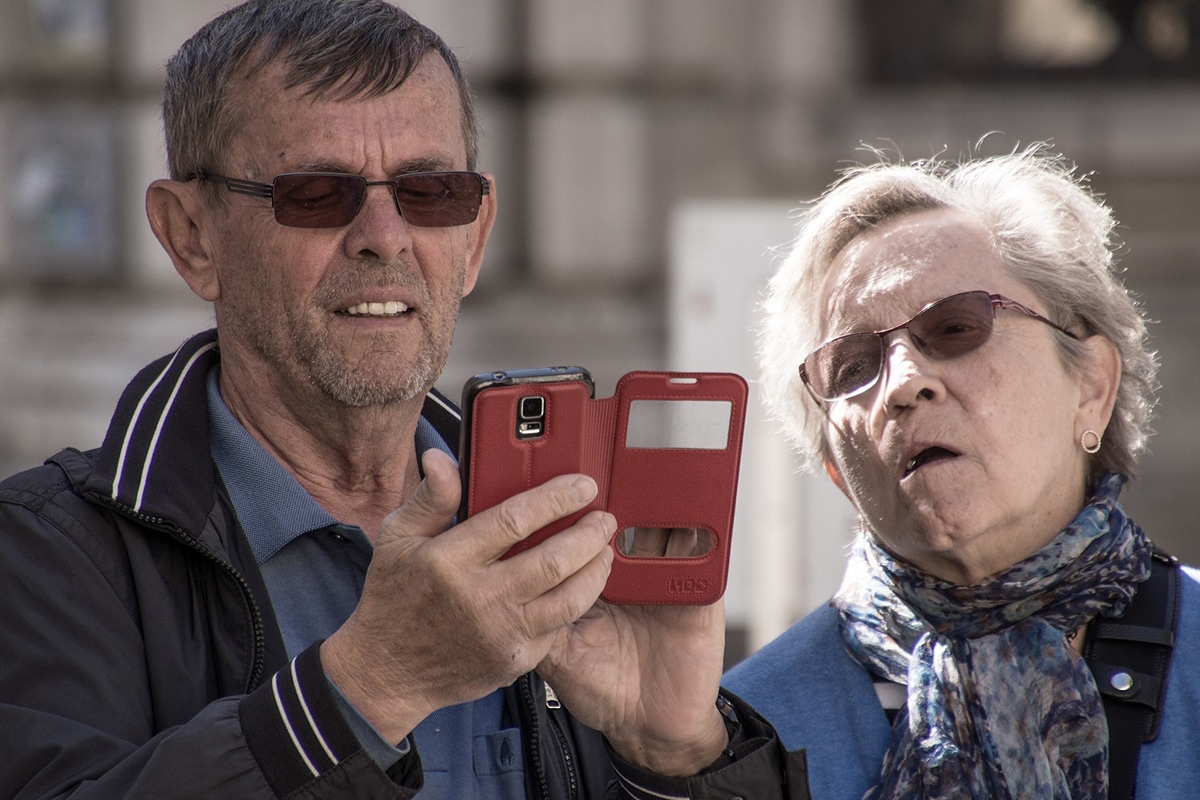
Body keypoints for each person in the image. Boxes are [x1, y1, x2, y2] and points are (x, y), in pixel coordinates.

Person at [0, 2, 810, 798]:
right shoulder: (41, 558)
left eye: (430, 192)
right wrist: (369, 689)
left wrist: (680, 759)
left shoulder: (561, 527)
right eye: (316, 193)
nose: (385, 235)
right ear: (191, 236)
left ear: (475, 237)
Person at [723, 146, 1200, 799]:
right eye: (854, 366)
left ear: (1090, 385)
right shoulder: (737, 737)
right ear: (838, 469)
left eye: (955, 326)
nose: (903, 383)